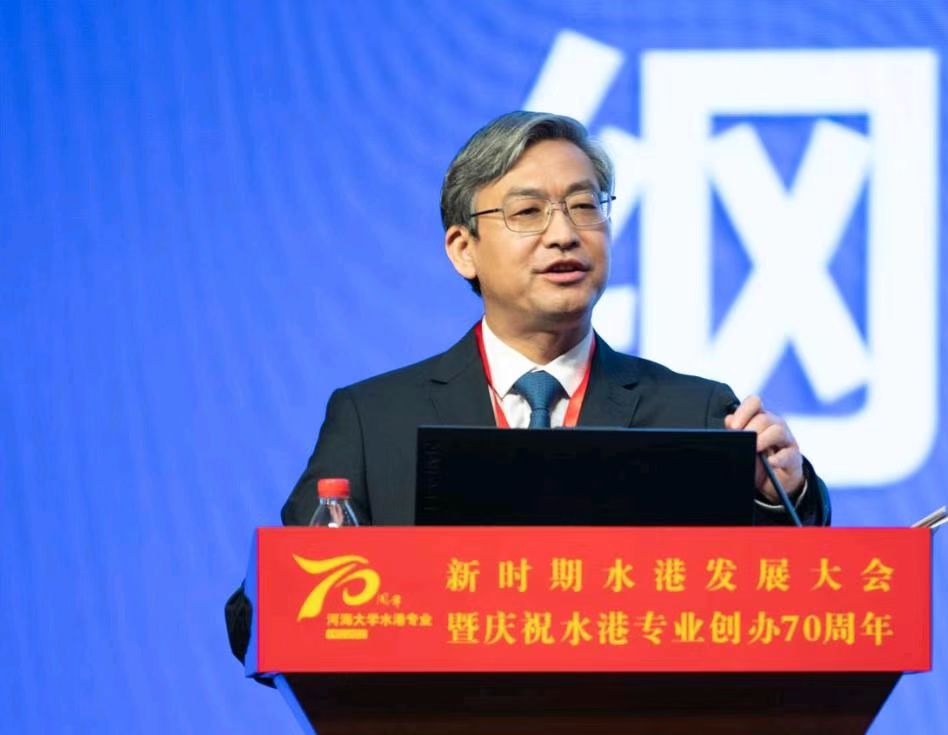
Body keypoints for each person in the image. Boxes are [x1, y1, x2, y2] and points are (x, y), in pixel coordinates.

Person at [226, 111, 830, 664]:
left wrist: (779, 494)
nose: (564, 233)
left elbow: (783, 607)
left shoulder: (695, 410)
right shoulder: (374, 418)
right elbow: (260, 614)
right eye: (527, 212)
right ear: (463, 250)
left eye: (584, 205)